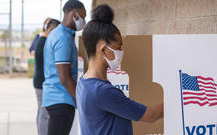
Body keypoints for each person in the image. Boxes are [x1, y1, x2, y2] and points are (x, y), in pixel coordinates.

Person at [76, 4, 163, 135]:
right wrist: (175, 101)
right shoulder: (102, 91)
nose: (120, 52)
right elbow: (151, 115)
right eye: (118, 47)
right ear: (103, 49)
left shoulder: (83, 83)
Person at [42, 0, 86, 135]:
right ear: (74, 14)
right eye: (82, 17)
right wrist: (80, 101)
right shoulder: (62, 39)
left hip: (56, 98)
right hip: (61, 100)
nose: (84, 21)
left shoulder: (60, 34)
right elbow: (64, 77)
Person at [33, 19, 60, 135]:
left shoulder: (41, 40)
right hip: (42, 83)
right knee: (44, 114)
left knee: (41, 112)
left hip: (39, 82)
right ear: (51, 29)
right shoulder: (44, 43)